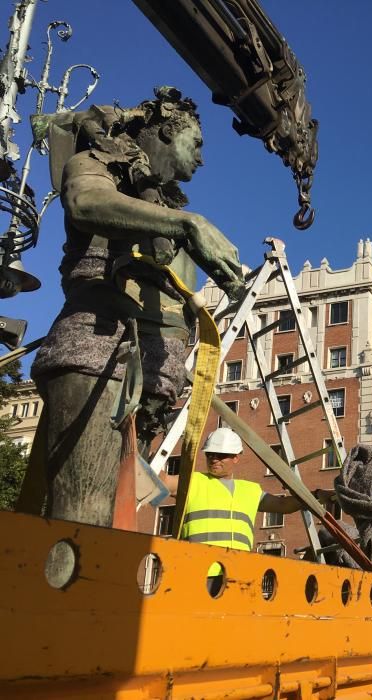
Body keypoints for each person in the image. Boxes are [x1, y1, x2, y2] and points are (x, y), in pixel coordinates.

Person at [26, 87, 245, 527]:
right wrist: (188, 224)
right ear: (166, 132)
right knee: (83, 517)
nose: (201, 159)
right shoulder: (93, 165)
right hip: (99, 349)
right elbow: (85, 201)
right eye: (196, 143)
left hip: (153, 381)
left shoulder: (162, 210)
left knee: (120, 518)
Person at [159, 427, 303, 589]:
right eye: (210, 454)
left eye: (220, 456)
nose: (214, 459)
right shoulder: (193, 481)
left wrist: (316, 496)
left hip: (239, 575)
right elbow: (161, 480)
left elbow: (284, 505)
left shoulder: (250, 490)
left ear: (236, 457)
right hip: (199, 573)